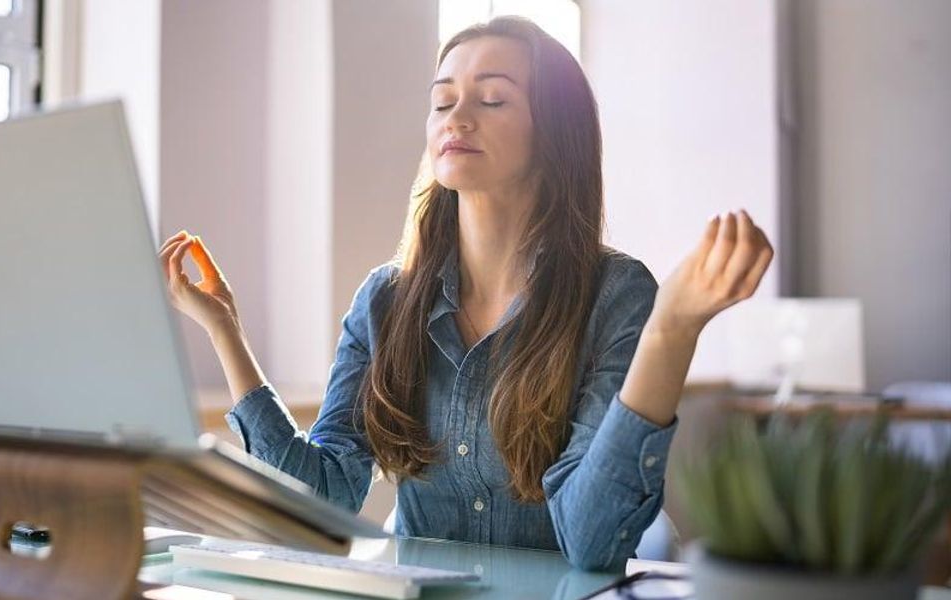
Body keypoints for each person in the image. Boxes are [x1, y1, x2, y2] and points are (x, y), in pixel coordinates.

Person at [158, 16, 773, 571]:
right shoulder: (385, 300)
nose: (457, 116)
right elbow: (317, 500)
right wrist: (225, 330)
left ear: (555, 133)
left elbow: (592, 542)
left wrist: (672, 330)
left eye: (493, 98)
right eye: (443, 100)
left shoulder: (615, 295)